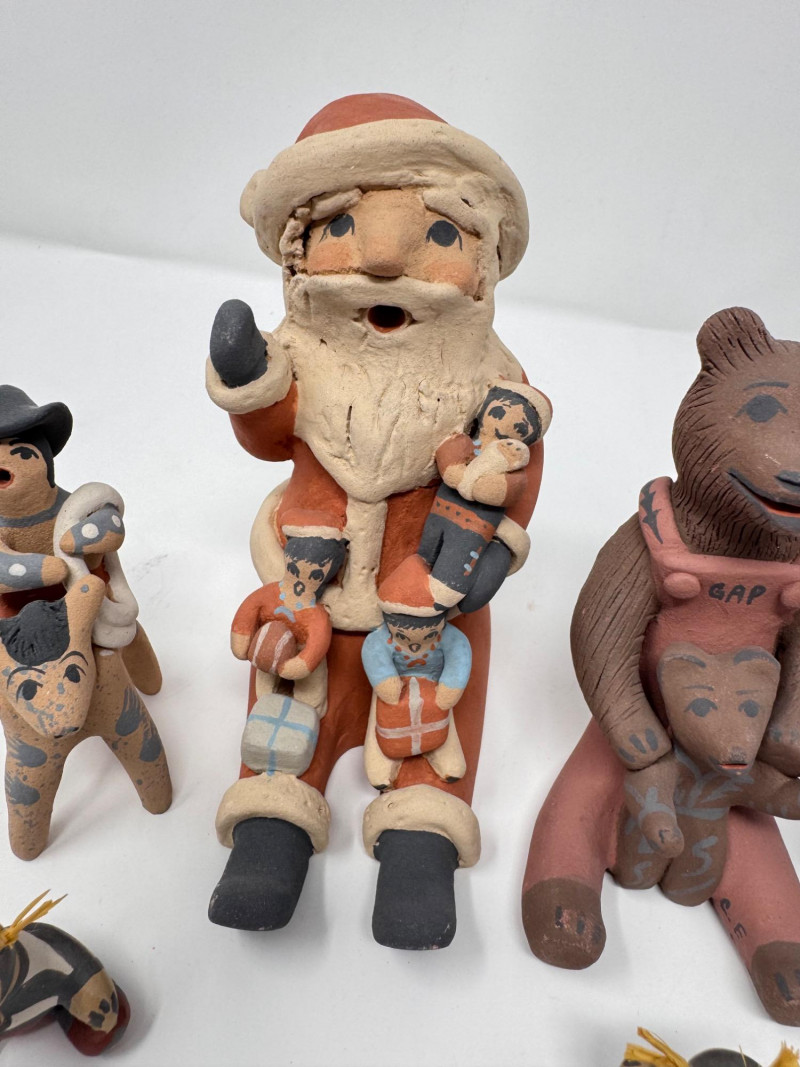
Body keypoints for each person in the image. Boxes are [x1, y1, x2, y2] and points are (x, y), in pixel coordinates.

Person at [206, 92, 547, 948]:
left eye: (436, 236)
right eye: (345, 229)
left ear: (481, 262)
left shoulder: (491, 379)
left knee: (440, 706)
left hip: (428, 594)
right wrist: (247, 378)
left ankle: (420, 840)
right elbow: (271, 432)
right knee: (290, 700)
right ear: (301, 257)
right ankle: (272, 826)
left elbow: (516, 468)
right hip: (312, 584)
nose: (385, 263)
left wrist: (496, 548)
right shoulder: (305, 355)